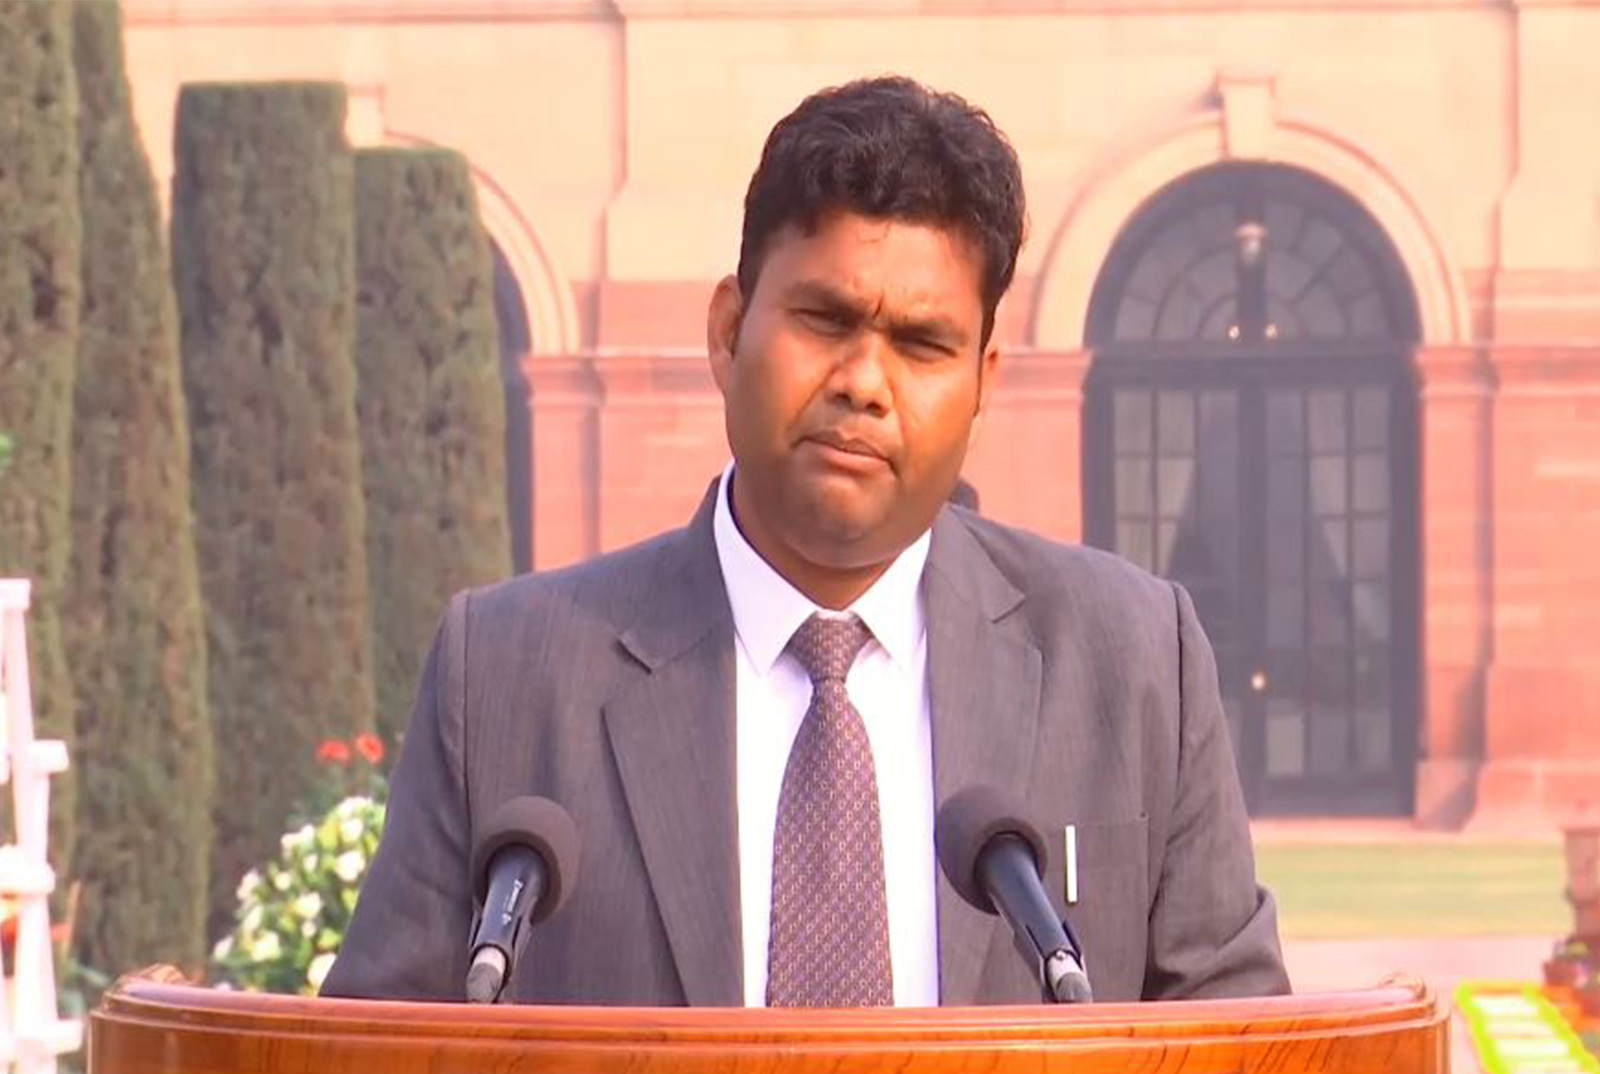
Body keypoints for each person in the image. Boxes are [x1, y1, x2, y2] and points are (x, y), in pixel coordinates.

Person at [323, 76, 1288, 1006]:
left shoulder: (1131, 663)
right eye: (825, 319)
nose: (865, 381)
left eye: (922, 344)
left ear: (986, 380)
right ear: (728, 330)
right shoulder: (505, 675)